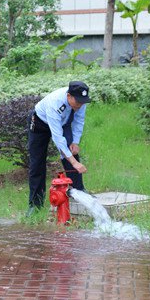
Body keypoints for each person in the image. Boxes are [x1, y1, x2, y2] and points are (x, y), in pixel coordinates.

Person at [27, 81, 90, 213]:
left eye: (82, 102)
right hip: (40, 124)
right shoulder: (55, 103)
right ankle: (35, 205)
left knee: (72, 151)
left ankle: (79, 191)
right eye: (77, 102)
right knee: (37, 163)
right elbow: (58, 139)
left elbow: (79, 121)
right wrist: (74, 162)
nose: (80, 105)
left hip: (63, 122)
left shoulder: (80, 101)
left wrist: (75, 142)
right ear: (68, 96)